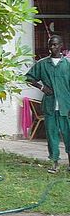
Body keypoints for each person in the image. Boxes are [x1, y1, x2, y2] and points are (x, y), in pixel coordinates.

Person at [26, 35, 70, 173]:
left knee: (68, 135)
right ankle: (54, 164)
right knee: (52, 135)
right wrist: (42, 88)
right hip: (50, 106)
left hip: (66, 106)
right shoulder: (42, 64)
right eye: (50, 45)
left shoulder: (67, 64)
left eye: (56, 45)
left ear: (61, 45)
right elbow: (29, 78)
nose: (53, 47)